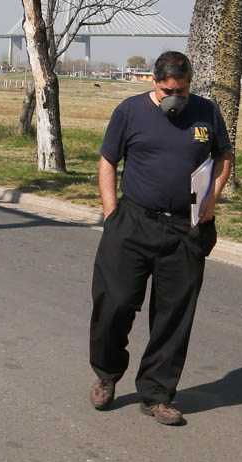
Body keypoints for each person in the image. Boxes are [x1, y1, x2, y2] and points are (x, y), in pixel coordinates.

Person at [88, 51, 234, 426]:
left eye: (182, 90)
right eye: (169, 89)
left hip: (185, 229)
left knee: (173, 316)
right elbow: (108, 160)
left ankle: (157, 394)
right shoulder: (129, 111)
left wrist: (210, 200)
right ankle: (107, 373)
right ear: (154, 81)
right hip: (133, 221)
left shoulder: (206, 112)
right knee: (114, 302)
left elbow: (223, 157)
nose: (176, 97)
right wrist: (111, 212)